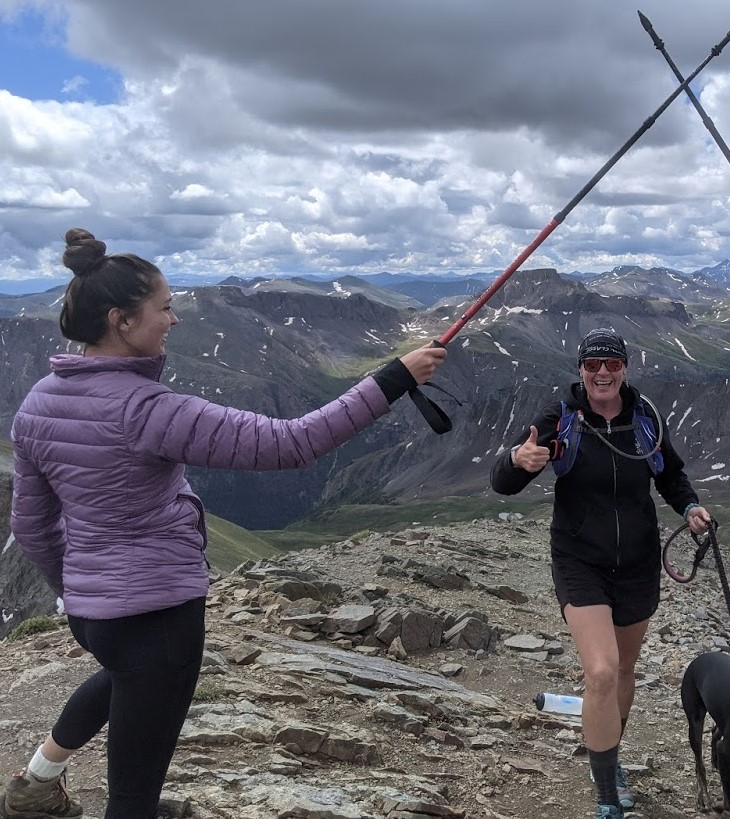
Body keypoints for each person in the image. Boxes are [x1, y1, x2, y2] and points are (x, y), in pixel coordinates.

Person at [3, 228, 447, 819]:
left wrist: (83, 590)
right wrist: (393, 379)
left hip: (94, 612)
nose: (174, 319)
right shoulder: (146, 409)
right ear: (122, 320)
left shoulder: (38, 403)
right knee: (134, 794)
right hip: (158, 615)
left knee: (124, 679)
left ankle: (36, 785)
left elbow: (31, 526)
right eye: (163, 307)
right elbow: (293, 444)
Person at [490, 328, 711, 819]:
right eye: (593, 364)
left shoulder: (646, 417)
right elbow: (504, 481)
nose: (603, 372)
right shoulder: (560, 417)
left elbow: (670, 474)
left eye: (612, 363)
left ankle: (607, 762)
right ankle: (607, 797)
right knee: (603, 671)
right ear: (581, 370)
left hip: (636, 563)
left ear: (625, 368)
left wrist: (690, 506)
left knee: (624, 671)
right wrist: (516, 461)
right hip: (579, 559)